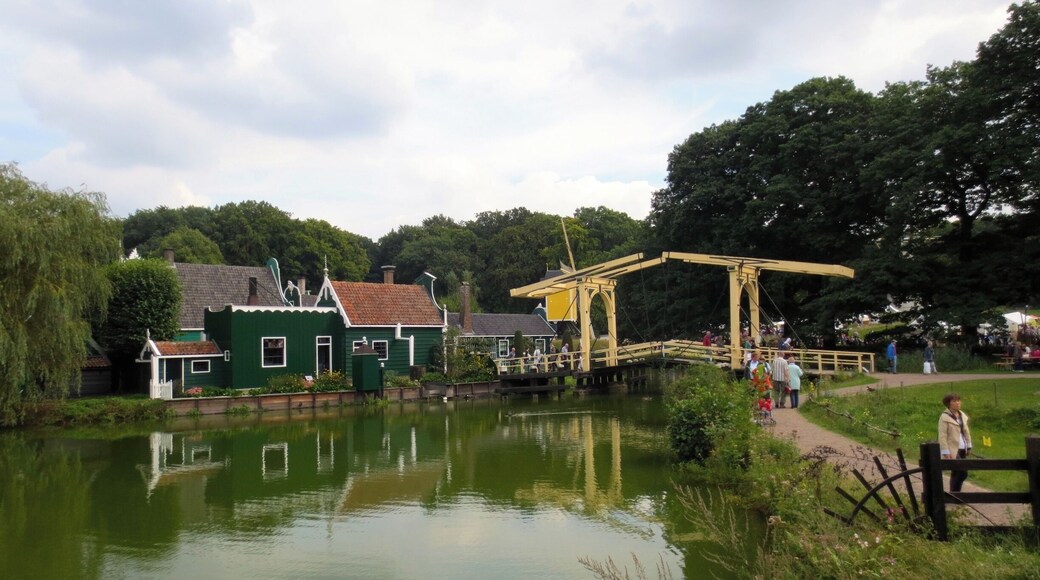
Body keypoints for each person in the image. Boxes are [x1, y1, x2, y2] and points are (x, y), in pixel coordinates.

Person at [938, 393, 972, 492]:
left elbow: (966, 431)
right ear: (948, 404)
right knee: (962, 472)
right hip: (952, 448)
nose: (957, 403)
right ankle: (955, 493)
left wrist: (969, 445)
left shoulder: (962, 416)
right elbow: (942, 435)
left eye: (958, 400)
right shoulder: (944, 417)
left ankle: (955, 495)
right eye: (954, 401)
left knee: (957, 472)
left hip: (962, 447)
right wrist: (945, 451)